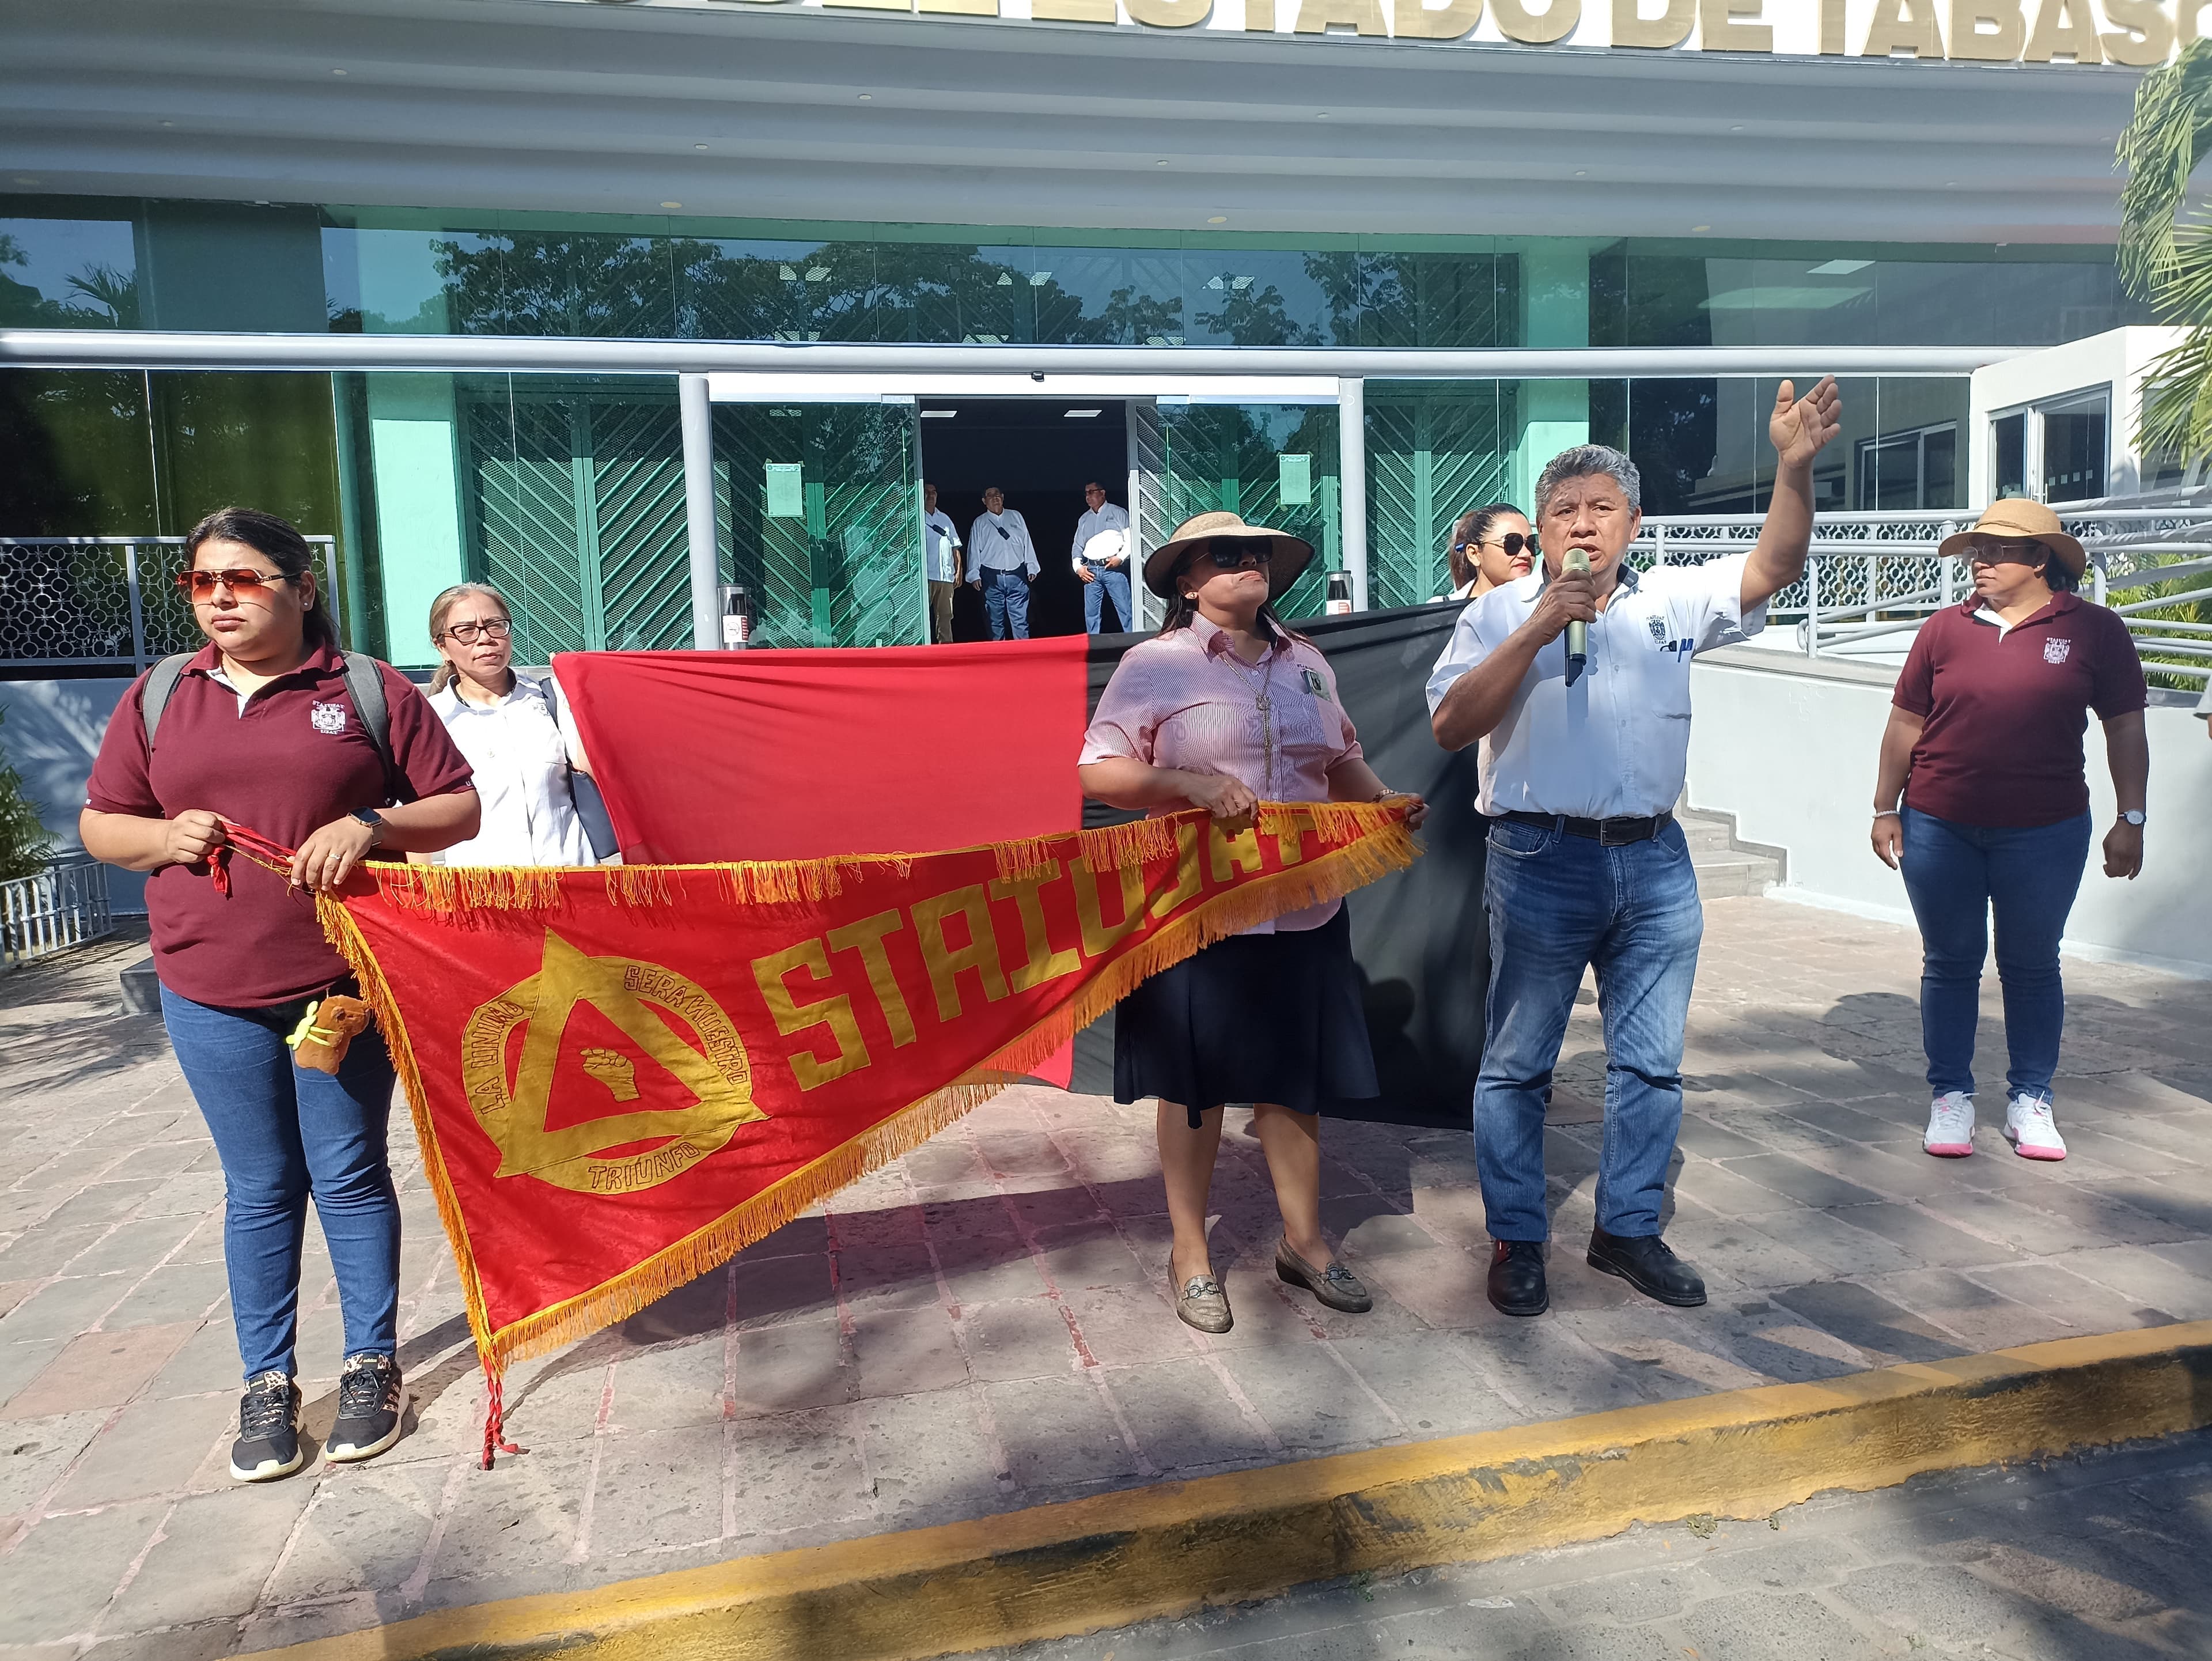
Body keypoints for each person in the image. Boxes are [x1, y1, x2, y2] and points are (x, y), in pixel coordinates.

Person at [1427, 378, 1842, 1320]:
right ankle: (1519, 1238)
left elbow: (1774, 565)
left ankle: (1627, 1229)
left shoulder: (1679, 598)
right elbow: (1453, 726)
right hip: (1536, 859)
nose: (1583, 524)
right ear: (1539, 526)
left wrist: (1793, 466)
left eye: (1602, 509)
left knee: (1651, 1063)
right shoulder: (1494, 615)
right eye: (1563, 510)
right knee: (1517, 1064)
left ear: (1635, 522)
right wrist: (1539, 622)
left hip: (1655, 864)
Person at [79, 508, 479, 1482]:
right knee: (258, 1187)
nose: (221, 597)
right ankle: (268, 1382)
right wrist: (160, 838)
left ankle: (371, 1362)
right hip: (206, 986)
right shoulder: (163, 693)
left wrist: (372, 822)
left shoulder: (367, 690)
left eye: (245, 578)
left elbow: (459, 806)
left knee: (345, 1172)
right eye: (203, 581)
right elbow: (102, 823)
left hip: (339, 986)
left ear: (301, 588)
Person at [1080, 509, 1428, 1334]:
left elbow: (1338, 756)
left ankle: (1304, 1242)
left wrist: (1380, 803)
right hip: (1195, 911)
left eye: (1259, 555)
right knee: (1194, 1087)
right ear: (1187, 582)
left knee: (1292, 1080)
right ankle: (1191, 1255)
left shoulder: (1306, 662)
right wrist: (1186, 784)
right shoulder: (1154, 664)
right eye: (1226, 556)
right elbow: (1099, 769)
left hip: (1304, 908)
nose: (1249, 565)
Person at [1869, 499, 2148, 1164]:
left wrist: (2130, 818)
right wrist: (1885, 807)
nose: (1980, 562)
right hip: (1939, 823)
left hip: (2046, 829)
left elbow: (2126, 729)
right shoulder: (1943, 629)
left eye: (1996, 550)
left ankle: (2032, 1099)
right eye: (1976, 550)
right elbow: (1906, 724)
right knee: (1951, 961)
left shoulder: (2094, 632)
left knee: (2031, 964)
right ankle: (1951, 1098)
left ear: (2040, 559)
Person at [424, 582, 597, 867]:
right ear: (442, 647)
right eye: (466, 631)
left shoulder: (551, 699)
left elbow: (594, 770)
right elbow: (417, 815)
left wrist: (577, 690)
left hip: (569, 882)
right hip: (484, 893)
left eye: (495, 626)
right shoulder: (432, 719)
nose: (485, 639)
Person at [965, 486, 1040, 640]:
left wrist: (1032, 566)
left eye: (998, 494)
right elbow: (973, 550)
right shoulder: (980, 523)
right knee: (995, 622)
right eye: (990, 495)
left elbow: (1027, 542)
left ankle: (1023, 655)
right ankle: (999, 658)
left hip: (1017, 575)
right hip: (992, 578)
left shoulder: (1016, 516)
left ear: (1003, 497)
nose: (995, 498)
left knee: (1021, 621)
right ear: (984, 501)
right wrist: (974, 574)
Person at [1438, 504, 1537, 603]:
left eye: (1531, 543)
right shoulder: (1439, 612)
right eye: (1512, 543)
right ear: (1474, 554)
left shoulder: (1547, 607)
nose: (1526, 554)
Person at [1073, 480, 1134, 634]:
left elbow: (1131, 540)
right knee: (1091, 614)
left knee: (1126, 610)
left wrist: (1120, 558)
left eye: (1092, 492)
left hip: (1113, 568)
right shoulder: (1084, 519)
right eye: (1086, 493)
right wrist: (1078, 567)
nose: (1088, 496)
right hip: (1091, 570)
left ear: (1102, 493)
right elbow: (1077, 546)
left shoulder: (1117, 512)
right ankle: (1094, 650)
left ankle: (1133, 645)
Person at [923, 483, 963, 644]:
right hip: (925, 576)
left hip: (945, 575)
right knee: (921, 616)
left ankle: (945, 649)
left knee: (945, 616)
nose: (931, 495)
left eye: (934, 492)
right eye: (926, 492)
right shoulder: (915, 516)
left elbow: (955, 546)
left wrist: (959, 570)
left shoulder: (945, 518)